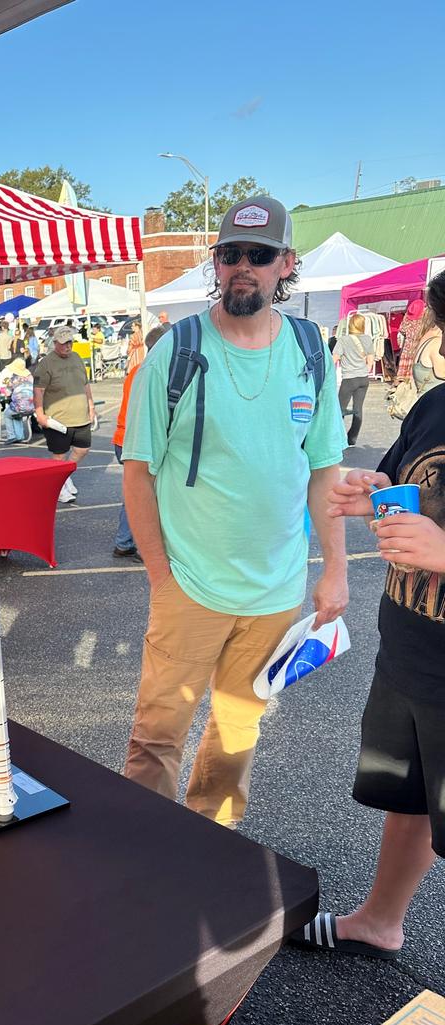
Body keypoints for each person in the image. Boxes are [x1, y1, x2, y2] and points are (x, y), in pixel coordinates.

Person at [121, 195, 348, 828]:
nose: (241, 267)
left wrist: (334, 568)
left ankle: (210, 854)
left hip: (276, 591)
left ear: (286, 265)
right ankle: (140, 852)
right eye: (229, 255)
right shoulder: (177, 352)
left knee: (236, 733)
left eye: (259, 255)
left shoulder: (311, 351)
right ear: (215, 264)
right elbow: (137, 474)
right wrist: (162, 578)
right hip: (190, 586)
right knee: (157, 737)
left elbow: (324, 467)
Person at [293, 270, 445, 960]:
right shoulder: (436, 404)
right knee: (409, 798)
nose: (426, 338)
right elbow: (406, 486)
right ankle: (381, 921)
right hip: (411, 650)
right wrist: (375, 494)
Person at [111, 325, 167, 558]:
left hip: (124, 438)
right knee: (146, 494)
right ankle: (141, 546)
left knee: (136, 491)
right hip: (138, 440)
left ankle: (125, 541)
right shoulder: (155, 371)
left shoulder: (137, 370)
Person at [33, 322, 96, 506]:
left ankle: (65, 477)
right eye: (64, 343)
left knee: (83, 449)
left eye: (70, 342)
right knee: (59, 456)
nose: (68, 346)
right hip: (58, 418)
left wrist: (91, 406)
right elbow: (38, 390)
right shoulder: (46, 364)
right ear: (55, 343)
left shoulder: (76, 358)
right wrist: (40, 414)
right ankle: (60, 488)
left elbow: (85, 384)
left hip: (80, 416)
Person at [334, 312, 374, 446]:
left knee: (340, 409)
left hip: (349, 379)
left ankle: (338, 438)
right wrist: (362, 369)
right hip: (363, 379)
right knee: (358, 408)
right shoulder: (368, 339)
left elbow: (334, 358)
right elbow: (370, 361)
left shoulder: (343, 340)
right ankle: (352, 438)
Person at [1, 356, 35, 443]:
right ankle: (20, 436)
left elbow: (7, 393)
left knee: (7, 413)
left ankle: (11, 436)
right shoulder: (31, 378)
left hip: (20, 407)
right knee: (15, 414)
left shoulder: (14, 379)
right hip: (32, 407)